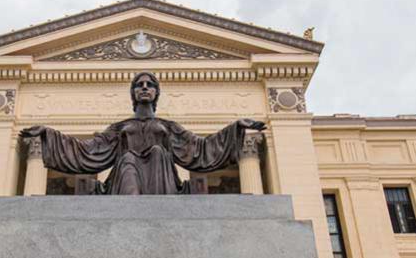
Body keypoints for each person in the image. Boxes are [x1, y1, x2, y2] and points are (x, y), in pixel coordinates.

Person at [20, 71, 265, 195]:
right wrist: (47, 135)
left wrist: (236, 129)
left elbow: (200, 148)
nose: (144, 88)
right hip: (125, 179)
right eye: (139, 85)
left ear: (156, 93)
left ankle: (155, 209)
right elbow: (88, 151)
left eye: (149, 85)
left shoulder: (168, 128)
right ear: (133, 93)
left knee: (158, 152)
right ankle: (131, 210)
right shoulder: (119, 129)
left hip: (161, 180)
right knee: (127, 159)